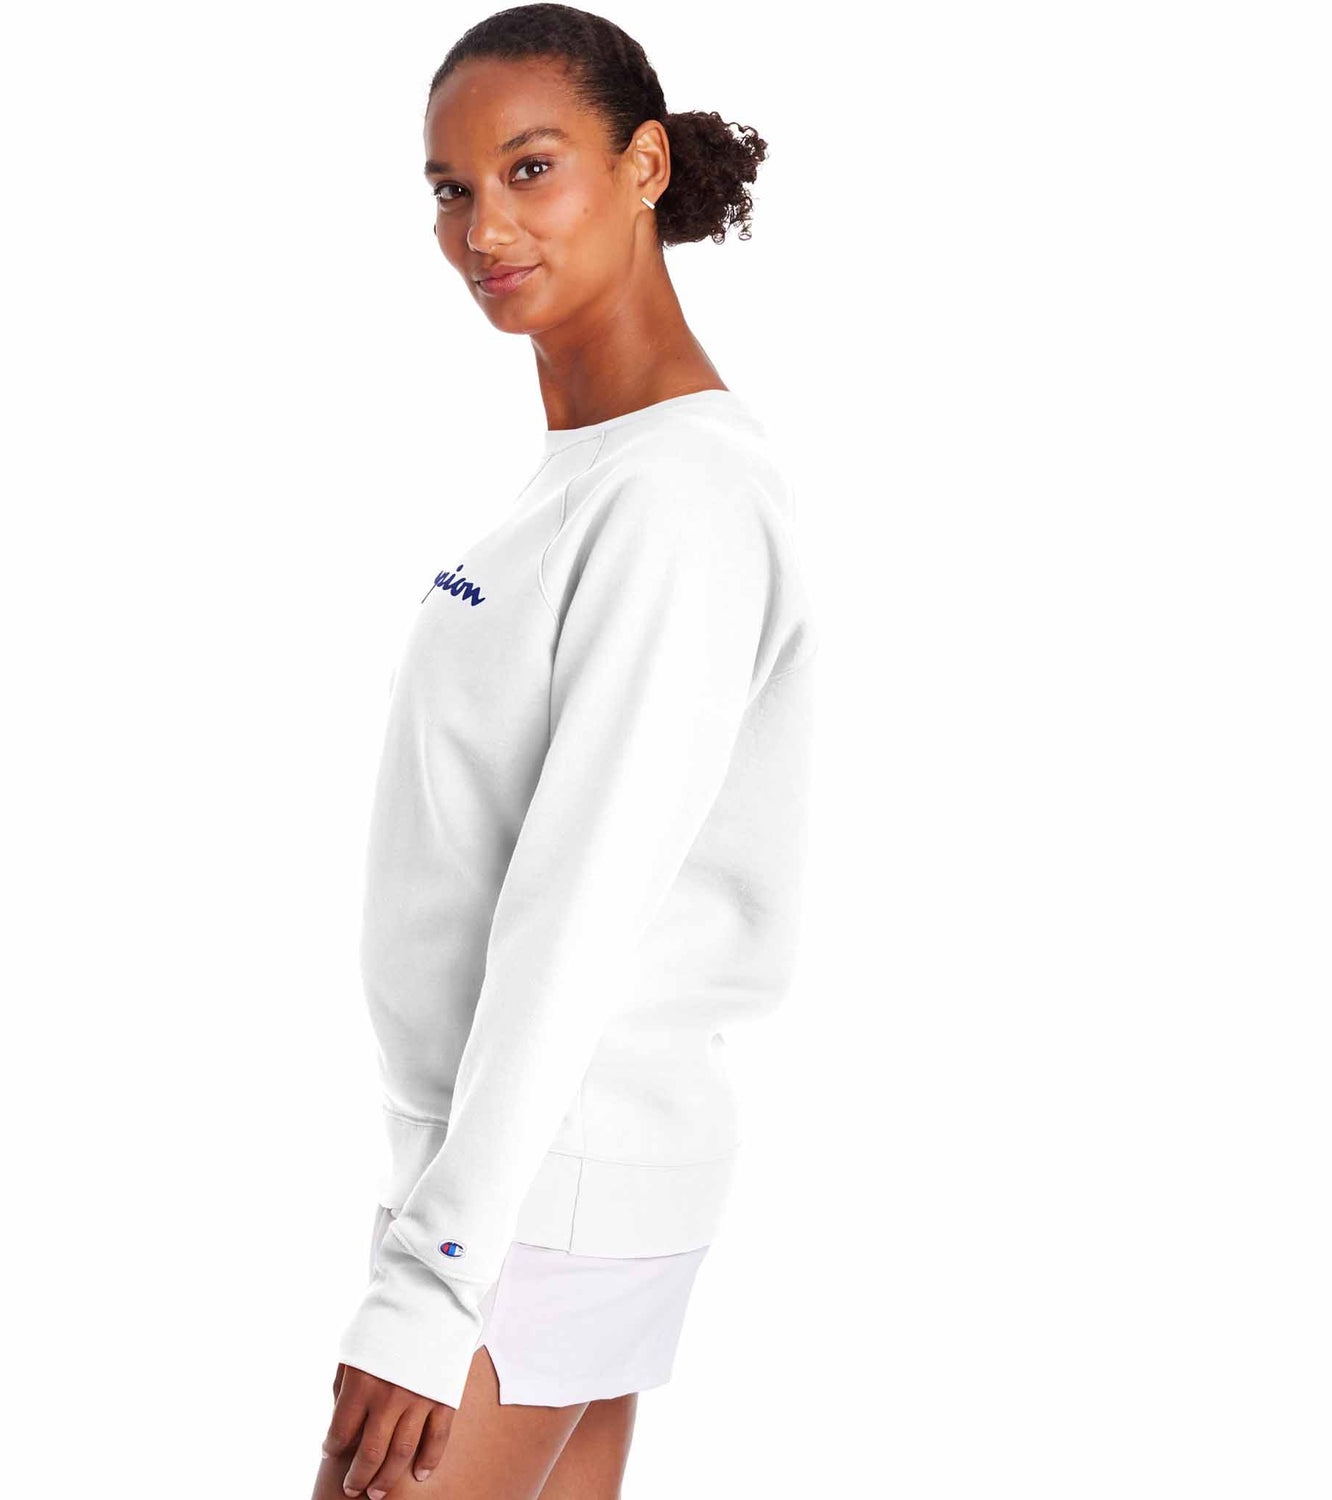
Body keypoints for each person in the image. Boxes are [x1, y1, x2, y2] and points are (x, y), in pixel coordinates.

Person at [313, 6, 818, 1497]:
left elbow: (578, 908)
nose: (484, 229)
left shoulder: (672, 500)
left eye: (531, 169)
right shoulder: (597, 477)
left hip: (536, 1195)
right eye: (451, 189)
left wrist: (434, 1280)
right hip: (543, 1178)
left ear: (644, 164)